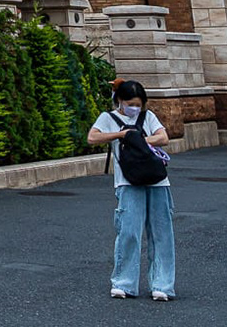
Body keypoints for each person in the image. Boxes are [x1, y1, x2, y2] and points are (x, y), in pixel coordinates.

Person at [89, 79, 175, 301]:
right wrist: (121, 135)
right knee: (128, 232)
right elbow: (92, 137)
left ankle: (162, 285)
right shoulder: (109, 118)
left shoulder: (148, 117)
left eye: (138, 104)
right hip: (127, 182)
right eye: (130, 103)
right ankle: (123, 283)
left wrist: (140, 139)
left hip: (157, 181)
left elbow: (164, 136)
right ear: (119, 100)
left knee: (162, 233)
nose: (134, 108)